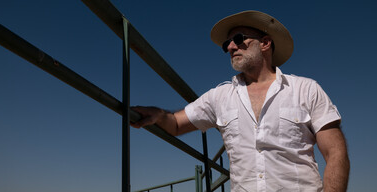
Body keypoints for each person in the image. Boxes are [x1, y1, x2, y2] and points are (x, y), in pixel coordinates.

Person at [131, 10, 350, 192]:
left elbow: (335, 152)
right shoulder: (219, 97)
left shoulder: (306, 89)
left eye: (238, 39)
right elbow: (176, 124)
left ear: (265, 43)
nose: (230, 47)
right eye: (227, 43)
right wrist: (159, 114)